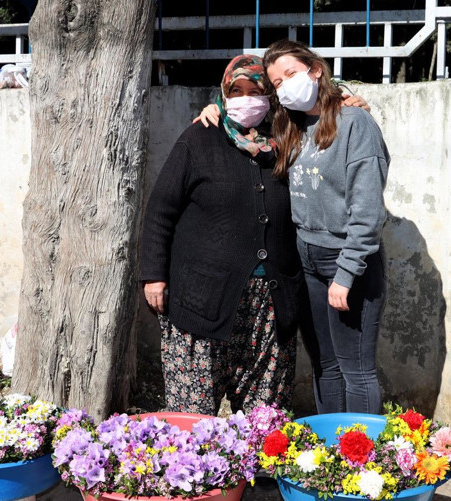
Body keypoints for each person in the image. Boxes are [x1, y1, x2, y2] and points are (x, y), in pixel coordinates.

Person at [139, 55, 303, 415]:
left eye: (255, 91)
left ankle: (257, 474)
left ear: (270, 97)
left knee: (264, 419)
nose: (246, 99)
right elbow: (161, 209)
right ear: (223, 94)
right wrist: (153, 275)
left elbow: (326, 104)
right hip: (202, 298)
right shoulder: (200, 137)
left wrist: (348, 98)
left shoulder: (287, 139)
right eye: (236, 91)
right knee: (191, 420)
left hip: (271, 307)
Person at [263, 40, 390, 415]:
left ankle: (362, 462)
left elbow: (367, 211)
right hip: (307, 260)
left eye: (291, 74)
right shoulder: (291, 126)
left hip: (347, 261)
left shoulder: (356, 123)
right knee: (326, 365)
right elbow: (241, 115)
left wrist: (346, 273)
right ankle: (330, 456)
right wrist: (212, 108)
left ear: (315, 70)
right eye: (277, 82)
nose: (285, 86)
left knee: (356, 369)